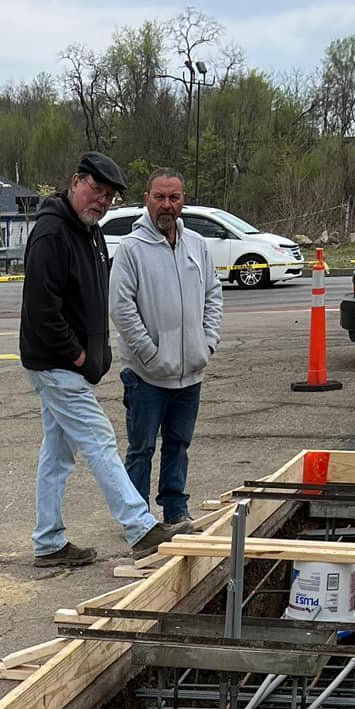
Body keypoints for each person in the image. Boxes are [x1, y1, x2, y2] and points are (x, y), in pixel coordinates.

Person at [19, 152, 169, 570]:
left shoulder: (90, 233)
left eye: (108, 196)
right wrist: (79, 354)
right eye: (95, 191)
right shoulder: (52, 233)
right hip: (54, 363)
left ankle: (48, 542)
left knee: (57, 453)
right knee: (99, 439)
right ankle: (140, 528)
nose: (101, 201)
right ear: (75, 182)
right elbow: (41, 310)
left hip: (68, 364)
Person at [109, 169, 222, 534]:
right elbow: (122, 308)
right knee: (141, 450)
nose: (167, 205)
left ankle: (176, 511)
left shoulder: (197, 246)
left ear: (182, 201)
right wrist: (150, 354)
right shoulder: (131, 249)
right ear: (146, 199)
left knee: (178, 443)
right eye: (160, 197)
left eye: (174, 198)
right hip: (146, 375)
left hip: (190, 371)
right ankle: (138, 522)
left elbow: (213, 296)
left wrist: (207, 343)